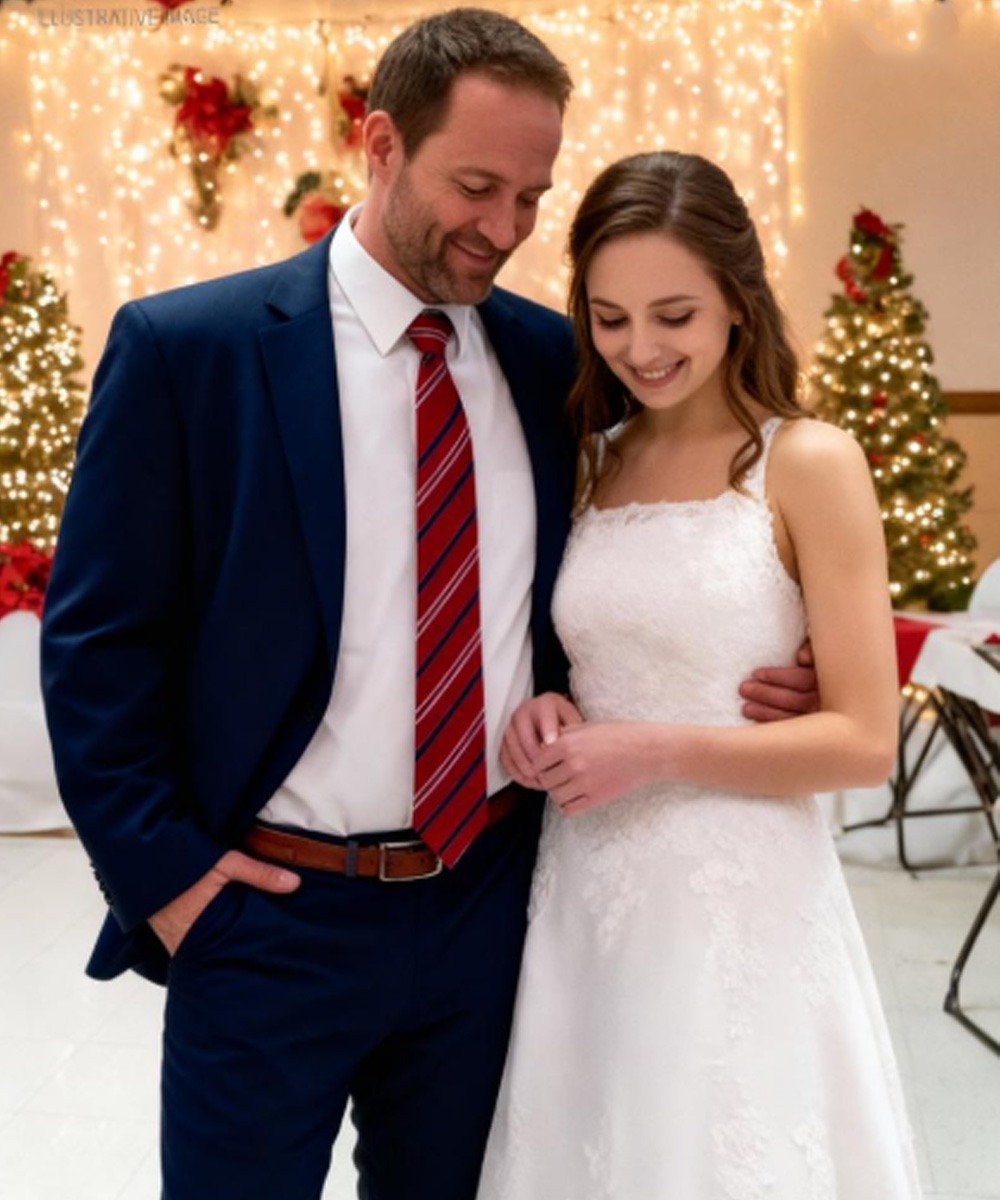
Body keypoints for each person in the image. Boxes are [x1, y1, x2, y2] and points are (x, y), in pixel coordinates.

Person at [40, 12, 816, 1200]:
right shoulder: (189, 351)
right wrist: (173, 887)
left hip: (488, 915)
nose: (503, 228)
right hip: (267, 918)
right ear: (381, 144)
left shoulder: (557, 365)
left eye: (530, 197)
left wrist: (762, 665)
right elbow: (98, 647)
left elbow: (652, 553)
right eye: (475, 186)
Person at [477, 151, 922, 1199]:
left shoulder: (808, 462)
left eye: (673, 315)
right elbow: (583, 651)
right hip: (588, 887)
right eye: (610, 318)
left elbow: (866, 742)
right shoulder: (586, 461)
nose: (641, 348)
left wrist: (653, 750)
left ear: (736, 297)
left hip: (742, 893)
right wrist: (550, 708)